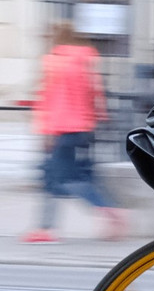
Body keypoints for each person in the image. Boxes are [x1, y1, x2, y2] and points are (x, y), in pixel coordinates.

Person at [23, 22, 124, 244]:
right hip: (84, 128)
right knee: (59, 178)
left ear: (55, 37)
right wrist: (99, 118)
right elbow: (96, 92)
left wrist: (46, 133)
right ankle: (45, 228)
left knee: (63, 180)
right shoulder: (85, 60)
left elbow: (48, 100)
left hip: (61, 128)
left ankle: (107, 208)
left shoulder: (53, 61)